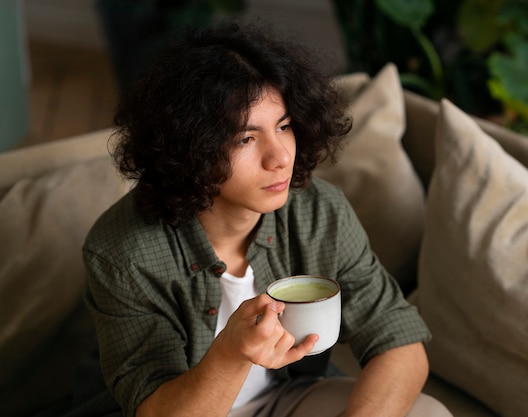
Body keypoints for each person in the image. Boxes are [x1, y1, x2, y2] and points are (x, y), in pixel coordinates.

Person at [82, 21, 453, 417]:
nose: (280, 158)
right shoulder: (122, 251)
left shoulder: (319, 212)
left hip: (285, 398)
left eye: (284, 126)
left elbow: (399, 340)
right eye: (246, 138)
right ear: (192, 147)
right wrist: (230, 353)